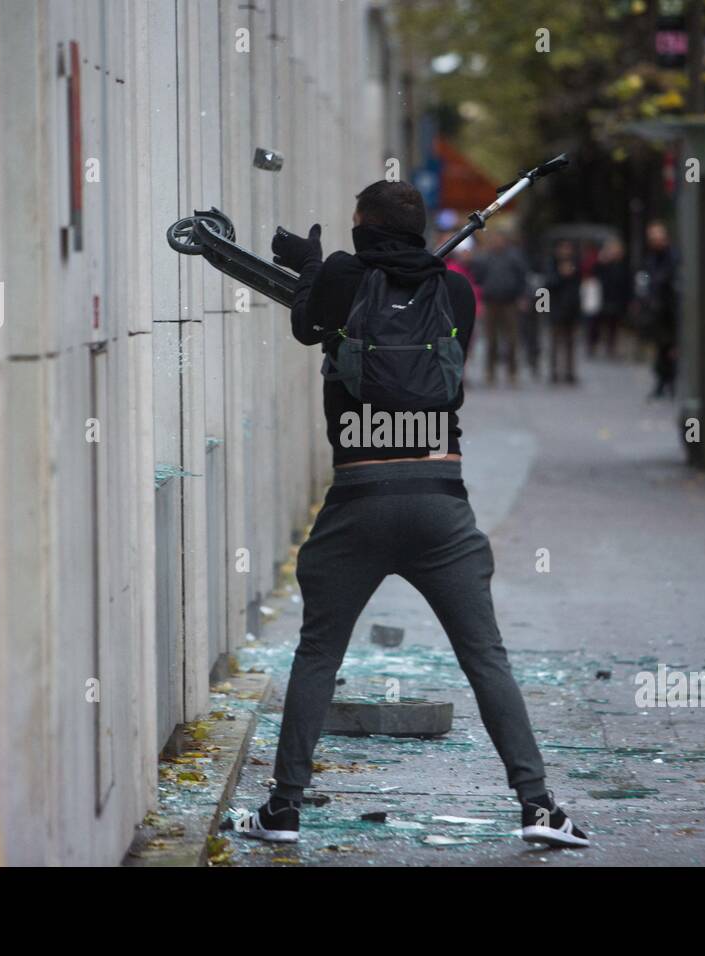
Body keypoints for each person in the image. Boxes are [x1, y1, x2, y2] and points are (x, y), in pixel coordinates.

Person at [222, 180, 589, 848]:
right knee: (486, 658)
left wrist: (311, 266)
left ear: (363, 226)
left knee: (317, 655)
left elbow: (309, 325)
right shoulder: (456, 292)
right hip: (440, 501)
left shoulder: (339, 277)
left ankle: (283, 810)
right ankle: (539, 808)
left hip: (358, 499)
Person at [472, 228, 530, 386]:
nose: (496, 242)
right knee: (491, 340)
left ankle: (512, 372)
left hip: (509, 302)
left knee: (511, 339)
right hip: (490, 302)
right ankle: (490, 372)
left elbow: (523, 278)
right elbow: (477, 277)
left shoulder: (514, 256)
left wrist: (523, 296)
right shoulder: (485, 257)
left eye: (499, 238)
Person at [642, 220, 679, 399]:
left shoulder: (671, 256)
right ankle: (662, 381)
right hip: (658, 309)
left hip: (671, 308)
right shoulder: (652, 258)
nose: (655, 241)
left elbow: (666, 278)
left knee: (671, 346)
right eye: (652, 238)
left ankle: (670, 381)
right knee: (661, 347)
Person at [589, 235, 631, 359]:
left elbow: (627, 282)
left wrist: (628, 299)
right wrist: (601, 262)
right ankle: (593, 345)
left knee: (614, 325)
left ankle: (611, 347)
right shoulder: (602, 263)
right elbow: (594, 275)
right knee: (596, 322)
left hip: (617, 298)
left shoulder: (623, 264)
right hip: (603, 297)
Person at [546, 239, 582, 384]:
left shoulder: (576, 265)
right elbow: (547, 284)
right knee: (555, 342)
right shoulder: (551, 264)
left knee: (571, 343)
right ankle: (554, 371)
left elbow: (579, 287)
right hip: (556, 308)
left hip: (572, 309)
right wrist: (561, 275)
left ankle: (570, 372)